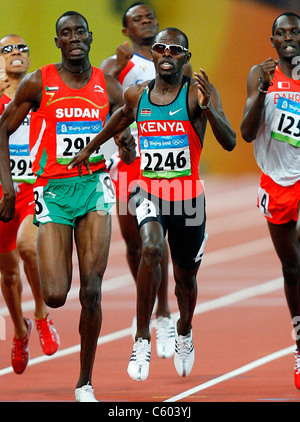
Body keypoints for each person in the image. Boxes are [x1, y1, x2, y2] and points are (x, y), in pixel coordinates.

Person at [68, 27, 236, 381]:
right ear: (154, 55)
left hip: (189, 200)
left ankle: (185, 329)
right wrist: (91, 146)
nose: (166, 54)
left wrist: (210, 110)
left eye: (175, 50)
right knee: (153, 248)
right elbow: (120, 117)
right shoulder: (137, 95)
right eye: (161, 48)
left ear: (185, 59)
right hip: (149, 192)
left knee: (185, 280)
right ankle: (142, 337)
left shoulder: (196, 95)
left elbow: (231, 141)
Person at [0, 12, 134, 401]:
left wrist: (125, 141)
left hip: (93, 189)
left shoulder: (105, 84)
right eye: (65, 33)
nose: (73, 37)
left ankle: (85, 381)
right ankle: (38, 316)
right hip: (54, 193)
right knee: (57, 293)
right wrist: (8, 188)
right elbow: (3, 130)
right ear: (57, 42)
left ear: (90, 38)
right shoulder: (39, 82)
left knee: (91, 290)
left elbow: (123, 117)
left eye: (79, 31)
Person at [100, 2, 192, 359]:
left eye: (149, 17)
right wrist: (118, 68)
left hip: (161, 161)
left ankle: (165, 314)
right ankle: (154, 308)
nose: (146, 22)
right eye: (137, 19)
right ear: (125, 30)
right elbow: (101, 97)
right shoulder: (117, 64)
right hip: (127, 162)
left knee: (158, 235)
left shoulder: (170, 58)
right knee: (135, 242)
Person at [240, 12, 300, 389]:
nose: (288, 36)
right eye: (281, 32)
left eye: (295, 31)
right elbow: (247, 132)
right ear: (273, 41)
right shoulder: (259, 75)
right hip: (275, 180)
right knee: (292, 269)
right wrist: (262, 90)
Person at [0, 34, 60, 375]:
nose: (16, 53)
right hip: (1, 193)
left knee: (29, 248)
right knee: (7, 273)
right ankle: (19, 332)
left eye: (22, 47)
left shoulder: (40, 91)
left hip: (33, 188)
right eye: (7, 49)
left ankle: (40, 313)